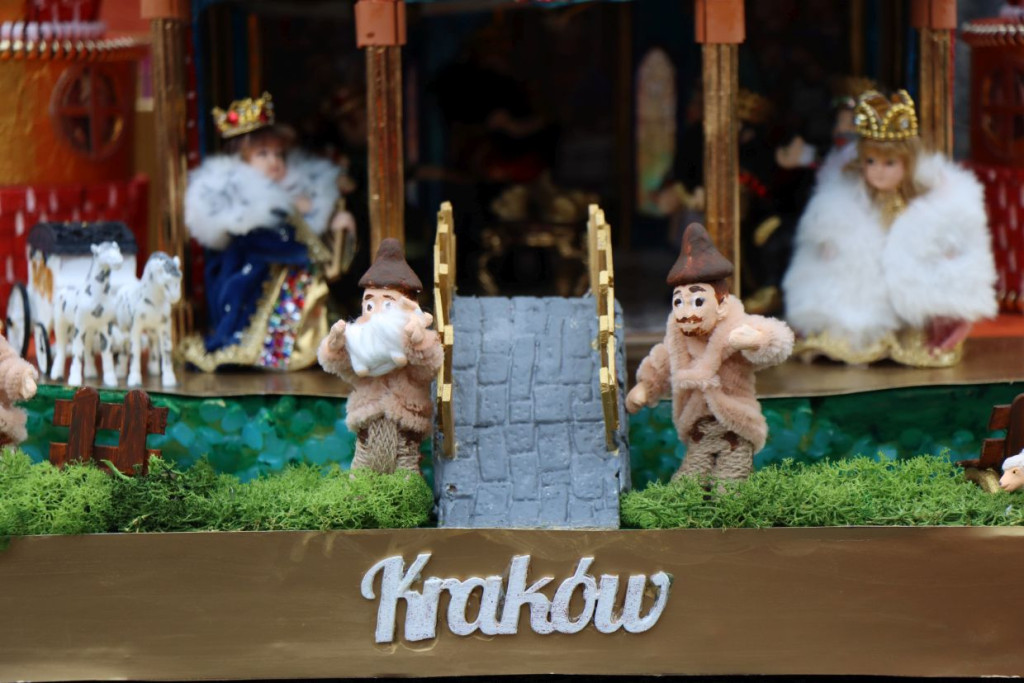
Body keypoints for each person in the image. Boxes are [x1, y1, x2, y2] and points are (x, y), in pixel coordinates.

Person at [782, 90, 998, 366]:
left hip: (907, 303)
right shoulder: (844, 200)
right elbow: (825, 248)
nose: (878, 171)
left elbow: (952, 249)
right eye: (870, 162)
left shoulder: (931, 203)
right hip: (864, 294)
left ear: (908, 164)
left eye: (889, 163)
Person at [182, 92, 356, 371]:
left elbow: (307, 239)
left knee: (307, 282)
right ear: (240, 162)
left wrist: (325, 219)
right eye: (262, 154)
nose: (274, 161)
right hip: (249, 280)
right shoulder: (244, 204)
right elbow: (273, 243)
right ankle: (277, 347)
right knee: (299, 280)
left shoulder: (288, 196)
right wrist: (303, 234)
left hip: (280, 273)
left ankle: (309, 342)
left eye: (278, 154)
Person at [625, 223, 793, 484]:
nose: (686, 312)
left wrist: (757, 340)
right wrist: (646, 388)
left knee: (730, 485)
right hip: (698, 433)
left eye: (697, 301)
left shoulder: (737, 328)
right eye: (678, 302)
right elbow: (661, 362)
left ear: (721, 305)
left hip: (735, 429)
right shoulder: (679, 342)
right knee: (688, 485)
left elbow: (779, 339)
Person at [317, 239, 442, 474]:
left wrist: (417, 341)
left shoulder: (411, 333)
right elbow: (346, 368)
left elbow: (428, 367)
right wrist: (336, 347)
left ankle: (405, 492)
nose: (375, 314)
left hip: (404, 419)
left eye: (387, 304)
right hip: (369, 416)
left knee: (405, 466)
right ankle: (360, 491)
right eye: (369, 306)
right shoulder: (360, 337)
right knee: (362, 468)